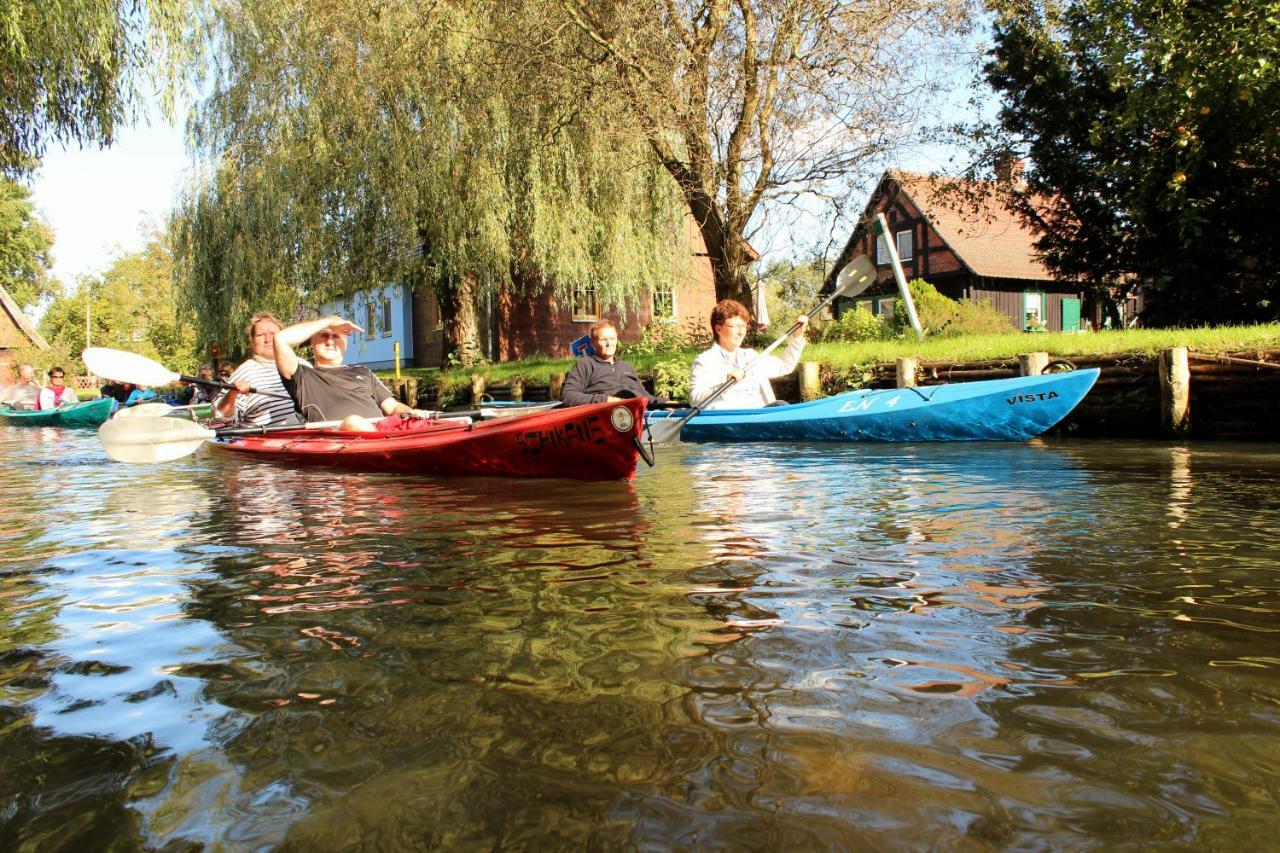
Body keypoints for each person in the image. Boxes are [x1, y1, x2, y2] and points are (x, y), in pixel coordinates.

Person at [274, 315, 425, 432]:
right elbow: (280, 339)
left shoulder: (363, 372)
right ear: (312, 341)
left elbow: (392, 407)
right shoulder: (302, 376)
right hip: (340, 436)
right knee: (353, 421)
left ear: (345, 343)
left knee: (418, 421)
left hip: (381, 432)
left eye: (336, 336)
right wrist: (327, 322)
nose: (330, 341)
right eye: (324, 335)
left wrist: (411, 412)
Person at [689, 299, 808, 410]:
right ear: (718, 329)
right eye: (736, 326)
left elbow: (784, 365)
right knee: (781, 405)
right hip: (730, 421)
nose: (741, 332)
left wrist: (797, 337)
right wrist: (725, 384)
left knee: (781, 406)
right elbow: (694, 400)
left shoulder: (751, 356)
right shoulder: (705, 361)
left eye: (743, 326)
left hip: (759, 417)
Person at [214, 313, 302, 426]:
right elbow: (221, 416)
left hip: (309, 438)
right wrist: (232, 393)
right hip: (267, 440)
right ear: (252, 342)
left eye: (273, 334)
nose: (268, 339)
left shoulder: (301, 365)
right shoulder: (246, 371)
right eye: (260, 335)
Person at [561, 320, 665, 408]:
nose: (609, 344)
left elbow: (645, 397)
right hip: (607, 417)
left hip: (640, 415)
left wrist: (665, 403)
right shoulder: (585, 365)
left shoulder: (626, 367)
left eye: (612, 339)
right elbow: (568, 396)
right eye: (603, 339)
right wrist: (607, 400)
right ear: (593, 342)